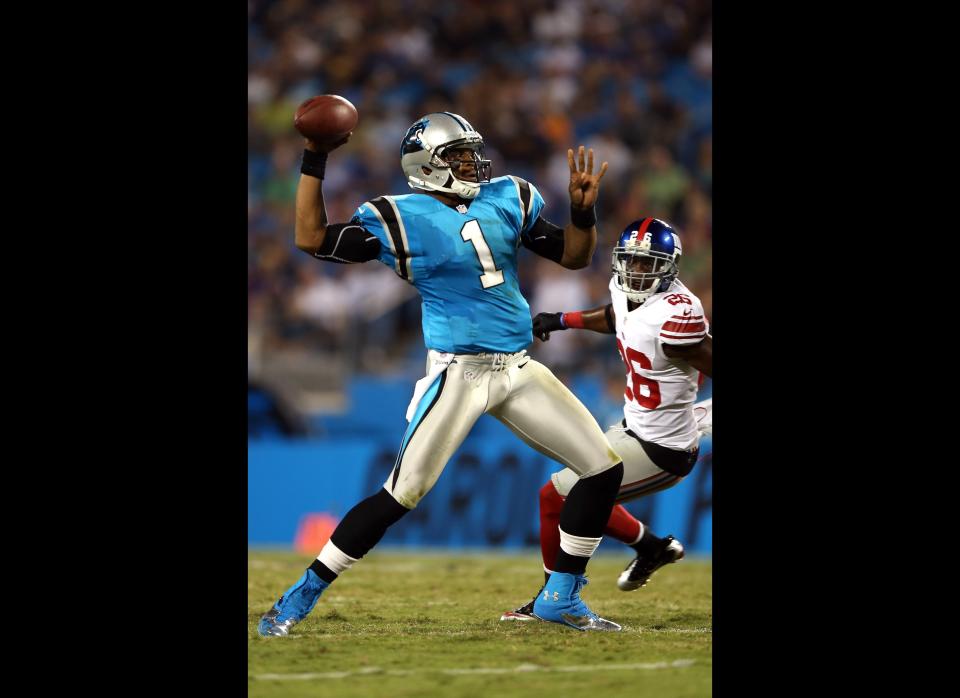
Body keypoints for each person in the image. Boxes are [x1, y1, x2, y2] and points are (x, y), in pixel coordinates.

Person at [258, 112, 626, 636]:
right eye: (457, 155)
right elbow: (310, 237)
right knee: (401, 494)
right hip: (459, 373)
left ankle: (560, 597)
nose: (471, 162)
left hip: (518, 367)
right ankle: (302, 594)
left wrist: (584, 213)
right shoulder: (400, 217)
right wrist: (315, 158)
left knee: (601, 468)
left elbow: (572, 255)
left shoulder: (507, 195)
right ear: (426, 165)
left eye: (471, 151)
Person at [499, 217, 712, 621]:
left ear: (669, 267)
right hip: (632, 426)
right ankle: (648, 550)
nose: (637, 271)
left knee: (570, 497)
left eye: (648, 264)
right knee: (554, 498)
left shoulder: (676, 312)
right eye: (631, 261)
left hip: (663, 448)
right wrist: (563, 320)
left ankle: (558, 597)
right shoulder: (623, 291)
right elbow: (618, 318)